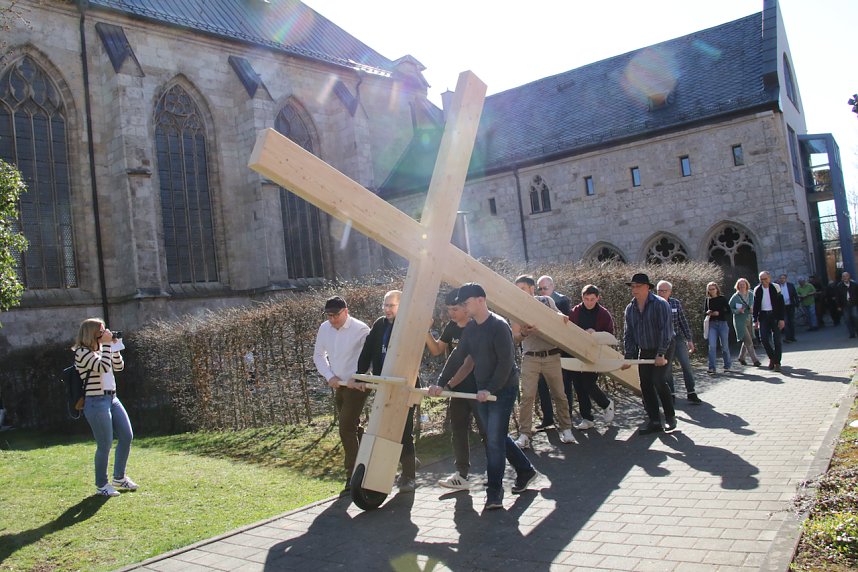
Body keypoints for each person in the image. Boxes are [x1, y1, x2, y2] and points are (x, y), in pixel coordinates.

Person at [435, 283, 538, 510]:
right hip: (483, 390)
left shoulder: (499, 326)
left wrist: (489, 389)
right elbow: (458, 356)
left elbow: (505, 363)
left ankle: (494, 494)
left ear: (481, 300)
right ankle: (526, 470)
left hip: (502, 389)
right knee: (497, 436)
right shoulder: (471, 329)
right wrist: (441, 383)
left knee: (493, 440)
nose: (463, 307)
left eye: (466, 303)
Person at [356, 290, 419, 493]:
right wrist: (359, 375)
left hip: (405, 386)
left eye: (391, 305)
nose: (387, 309)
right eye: (385, 305)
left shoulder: (408, 326)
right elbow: (367, 350)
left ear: (402, 306)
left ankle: (409, 476)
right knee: (386, 429)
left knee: (403, 431)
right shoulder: (379, 325)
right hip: (385, 385)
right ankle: (407, 463)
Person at [425, 288, 486, 490]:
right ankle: (461, 475)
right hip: (456, 391)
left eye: (455, 309)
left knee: (487, 431)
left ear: (465, 307)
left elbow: (470, 363)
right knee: (458, 430)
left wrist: (448, 384)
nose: (452, 313)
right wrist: (426, 331)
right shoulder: (451, 327)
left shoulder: (476, 327)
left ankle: (495, 472)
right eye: (448, 309)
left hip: (476, 389)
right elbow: (437, 351)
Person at [312, 296, 371, 492]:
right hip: (339, 384)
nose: (332, 319)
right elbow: (319, 355)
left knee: (345, 427)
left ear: (346, 311)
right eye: (328, 315)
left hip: (358, 385)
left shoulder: (361, 329)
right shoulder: (324, 328)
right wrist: (329, 376)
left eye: (335, 315)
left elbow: (370, 357)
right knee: (353, 427)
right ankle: (370, 461)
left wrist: (361, 377)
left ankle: (352, 476)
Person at [510, 275, 575, 449]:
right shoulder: (515, 309)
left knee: (559, 394)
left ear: (532, 288)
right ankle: (524, 435)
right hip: (530, 357)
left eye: (522, 288)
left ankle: (566, 429)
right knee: (528, 396)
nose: (519, 292)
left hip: (551, 355)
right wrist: (524, 333)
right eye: (517, 289)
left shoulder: (546, 301)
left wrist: (563, 318)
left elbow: (559, 316)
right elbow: (515, 337)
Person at [73, 318, 135, 497]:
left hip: (112, 398)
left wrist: (114, 347)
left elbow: (118, 366)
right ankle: (102, 484)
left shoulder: (101, 349)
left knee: (126, 435)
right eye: (101, 331)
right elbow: (102, 367)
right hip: (95, 401)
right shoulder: (81, 352)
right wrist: (107, 346)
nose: (105, 333)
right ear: (92, 333)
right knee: (105, 444)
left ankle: (119, 477)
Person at [620, 273, 677, 434]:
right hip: (645, 349)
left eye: (638, 286)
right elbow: (629, 334)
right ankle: (654, 420)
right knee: (645, 384)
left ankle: (670, 416)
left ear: (647, 287)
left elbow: (666, 331)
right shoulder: (630, 308)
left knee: (658, 380)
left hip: (664, 346)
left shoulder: (660, 304)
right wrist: (629, 357)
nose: (634, 290)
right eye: (632, 287)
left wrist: (661, 354)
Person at [566, 284, 617, 427]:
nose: (589, 302)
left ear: (597, 298)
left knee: (588, 383)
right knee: (578, 385)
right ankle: (587, 418)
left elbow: (609, 335)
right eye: (586, 299)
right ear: (582, 297)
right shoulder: (574, 312)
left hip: (596, 354)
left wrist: (595, 334)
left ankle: (606, 403)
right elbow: (569, 332)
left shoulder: (603, 314)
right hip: (576, 353)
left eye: (592, 299)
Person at [534, 275, 573, 429]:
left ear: (552, 286)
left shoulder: (562, 301)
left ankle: (567, 416)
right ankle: (548, 418)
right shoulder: (536, 302)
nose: (542, 291)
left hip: (559, 350)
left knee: (563, 386)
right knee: (542, 385)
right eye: (540, 289)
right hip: (543, 348)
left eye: (545, 288)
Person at [656, 280, 701, 404]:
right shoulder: (654, 304)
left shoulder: (675, 303)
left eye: (664, 291)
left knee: (686, 365)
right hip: (663, 341)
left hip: (677, 338)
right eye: (659, 290)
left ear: (670, 292)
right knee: (667, 368)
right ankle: (671, 394)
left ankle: (691, 392)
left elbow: (683, 322)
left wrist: (689, 339)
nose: (661, 293)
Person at [752, 271, 785, 371]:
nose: (763, 281)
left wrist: (781, 319)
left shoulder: (775, 287)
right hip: (763, 316)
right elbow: (756, 306)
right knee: (764, 339)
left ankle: (777, 363)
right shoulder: (757, 290)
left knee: (777, 340)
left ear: (769, 278)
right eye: (761, 279)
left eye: (765, 279)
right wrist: (755, 320)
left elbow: (781, 304)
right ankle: (772, 357)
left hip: (774, 316)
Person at [729, 278, 761, 367]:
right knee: (749, 341)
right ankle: (755, 360)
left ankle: (741, 357)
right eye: (740, 285)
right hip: (740, 321)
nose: (742, 286)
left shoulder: (751, 294)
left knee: (747, 339)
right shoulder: (735, 297)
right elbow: (730, 308)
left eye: (744, 285)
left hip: (749, 319)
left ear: (747, 285)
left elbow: (755, 304)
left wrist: (753, 310)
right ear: (737, 286)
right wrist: (737, 311)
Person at [704, 282, 732, 374]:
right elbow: (704, 312)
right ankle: (712, 367)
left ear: (717, 289)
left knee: (724, 346)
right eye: (710, 289)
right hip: (712, 324)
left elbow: (729, 311)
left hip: (722, 323)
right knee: (711, 346)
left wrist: (719, 313)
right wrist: (708, 312)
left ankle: (727, 366)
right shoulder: (707, 300)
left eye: (713, 289)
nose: (712, 291)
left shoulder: (722, 299)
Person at [835, 271, 858, 339]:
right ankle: (852, 333)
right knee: (847, 319)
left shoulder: (854, 285)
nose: (845, 278)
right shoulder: (839, 286)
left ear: (849, 276)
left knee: (855, 317)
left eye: (846, 276)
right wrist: (838, 306)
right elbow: (837, 296)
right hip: (845, 304)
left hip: (854, 303)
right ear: (842, 278)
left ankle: (857, 329)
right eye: (843, 277)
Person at [777, 273, 799, 342]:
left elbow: (795, 295)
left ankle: (792, 337)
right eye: (781, 278)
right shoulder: (778, 287)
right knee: (785, 322)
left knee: (791, 321)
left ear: (786, 279)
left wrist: (797, 303)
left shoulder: (790, 285)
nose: (782, 280)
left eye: (783, 278)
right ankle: (787, 337)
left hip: (790, 305)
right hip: (782, 307)